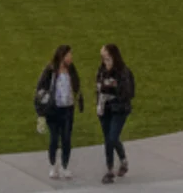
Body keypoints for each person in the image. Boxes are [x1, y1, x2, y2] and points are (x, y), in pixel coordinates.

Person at [35, 44, 84, 180]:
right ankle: (53, 165)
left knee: (67, 139)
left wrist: (78, 97)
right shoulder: (50, 70)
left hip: (68, 109)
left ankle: (65, 167)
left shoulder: (71, 69)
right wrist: (41, 111)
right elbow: (40, 89)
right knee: (54, 139)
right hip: (54, 110)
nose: (71, 57)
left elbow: (76, 83)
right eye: (69, 55)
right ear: (62, 56)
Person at [95, 43, 135, 183]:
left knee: (112, 137)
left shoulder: (123, 71)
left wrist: (113, 87)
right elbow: (98, 88)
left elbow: (128, 92)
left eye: (105, 54)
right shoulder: (101, 69)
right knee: (109, 138)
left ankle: (116, 165)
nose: (104, 59)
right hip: (104, 108)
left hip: (118, 109)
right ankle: (112, 167)